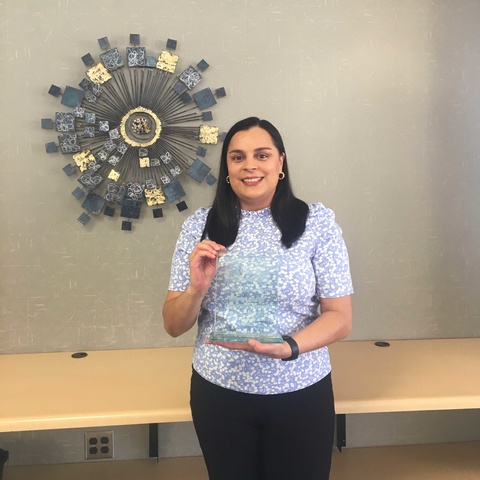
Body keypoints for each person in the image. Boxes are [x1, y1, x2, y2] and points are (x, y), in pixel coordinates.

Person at [163, 117, 353, 480]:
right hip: (220, 393)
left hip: (300, 390)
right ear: (227, 169)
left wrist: (289, 347)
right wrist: (196, 289)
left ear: (280, 162)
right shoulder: (199, 227)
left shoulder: (316, 223)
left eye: (261, 155)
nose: (249, 165)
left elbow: (340, 317)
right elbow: (173, 325)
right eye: (237, 157)